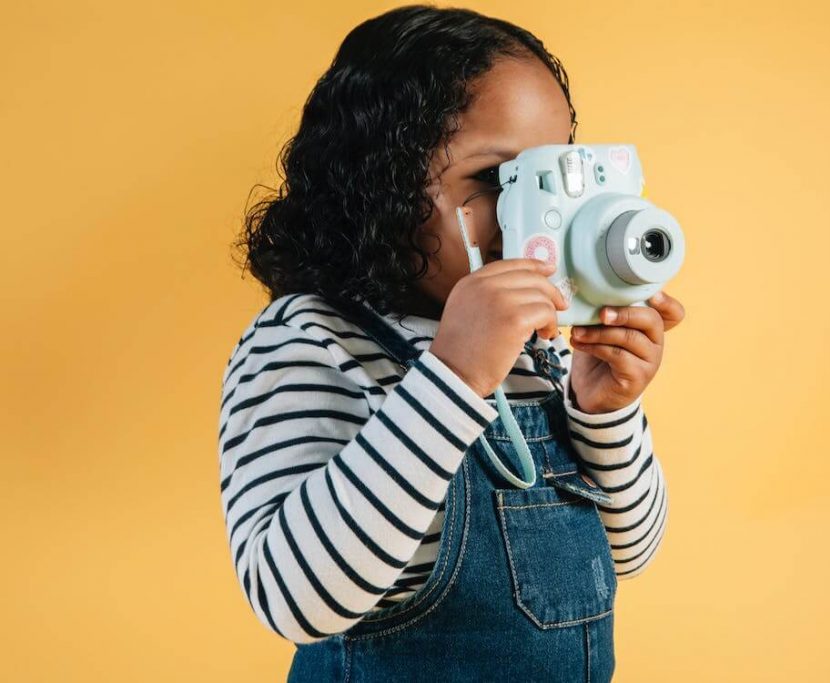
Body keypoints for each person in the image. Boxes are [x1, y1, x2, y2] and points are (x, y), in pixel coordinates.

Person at [218, 4, 686, 681]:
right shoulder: (309, 341)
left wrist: (603, 411)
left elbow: (628, 553)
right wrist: (454, 376)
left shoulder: (541, 351)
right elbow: (294, 598)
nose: (534, 211)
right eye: (499, 180)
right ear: (379, 183)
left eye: (552, 174)